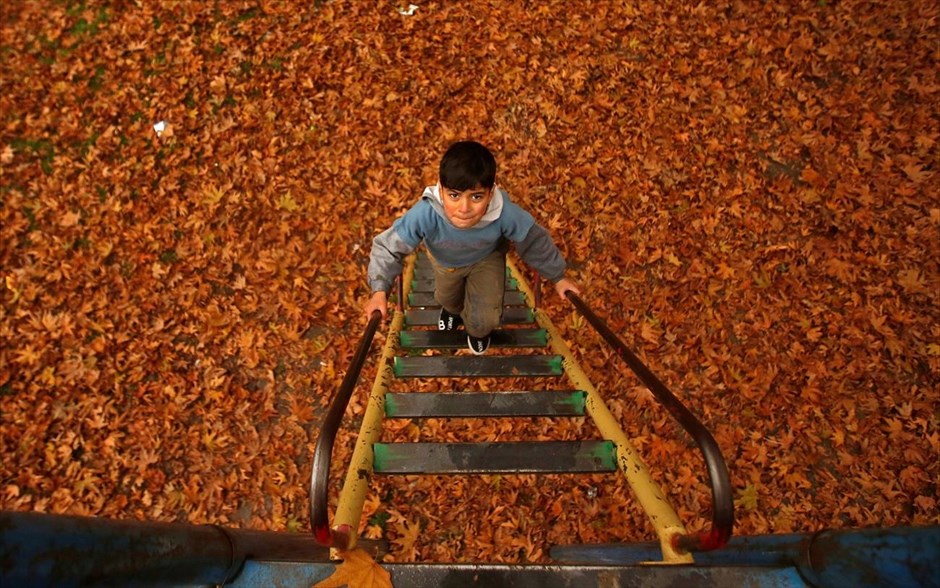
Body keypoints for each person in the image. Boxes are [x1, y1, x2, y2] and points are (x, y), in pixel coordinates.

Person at [364, 141, 580, 355]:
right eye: (454, 196)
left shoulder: (503, 213)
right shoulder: (426, 213)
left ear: (491, 192)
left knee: (486, 317)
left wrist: (558, 277)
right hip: (446, 262)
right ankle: (452, 312)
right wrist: (379, 289)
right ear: (441, 189)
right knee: (448, 298)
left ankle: (477, 333)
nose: (464, 208)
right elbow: (389, 246)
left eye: (476, 197)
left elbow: (533, 240)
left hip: (486, 259)